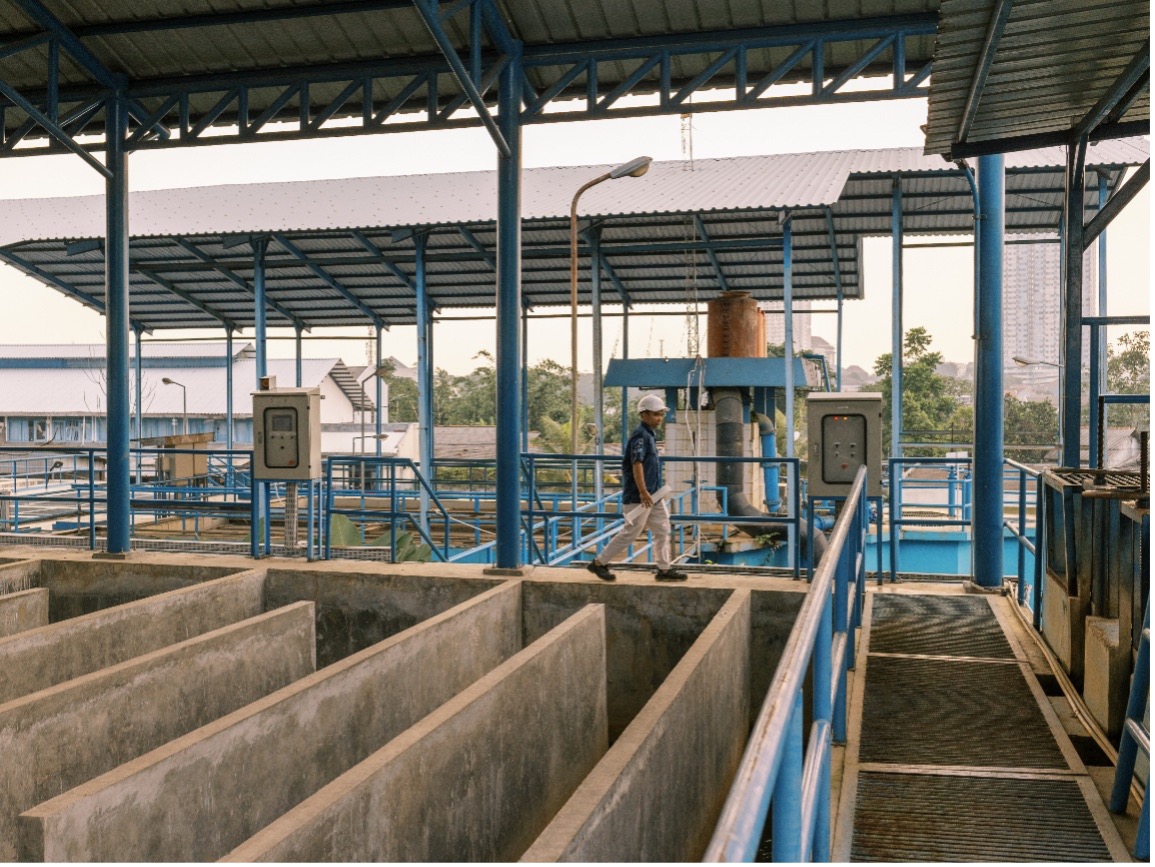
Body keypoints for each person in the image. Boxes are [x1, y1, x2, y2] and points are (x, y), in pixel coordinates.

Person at [587, 393, 688, 582]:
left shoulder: (649, 434)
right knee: (630, 533)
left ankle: (664, 569)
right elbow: (637, 463)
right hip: (640, 496)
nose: (659, 418)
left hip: (654, 494)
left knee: (662, 529)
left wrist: (651, 492)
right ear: (644, 415)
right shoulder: (640, 436)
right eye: (655, 414)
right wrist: (643, 491)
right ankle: (599, 563)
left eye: (661, 414)